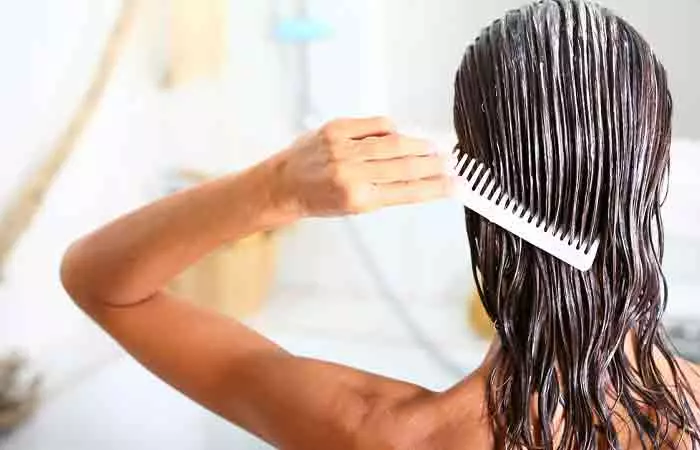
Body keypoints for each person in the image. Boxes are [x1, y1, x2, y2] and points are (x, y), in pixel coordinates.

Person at [61, 1, 700, 449]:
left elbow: (99, 281)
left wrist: (274, 186)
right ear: (656, 163)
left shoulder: (380, 432)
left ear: (479, 180)